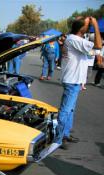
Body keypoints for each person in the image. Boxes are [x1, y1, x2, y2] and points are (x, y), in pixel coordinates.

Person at [44, 16, 102, 154]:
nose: (89, 27)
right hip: (71, 80)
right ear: (82, 28)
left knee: (70, 110)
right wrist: (96, 25)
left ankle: (65, 134)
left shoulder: (74, 39)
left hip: (74, 80)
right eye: (88, 25)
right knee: (65, 110)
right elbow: (98, 45)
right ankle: (58, 139)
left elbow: (94, 51)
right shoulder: (74, 39)